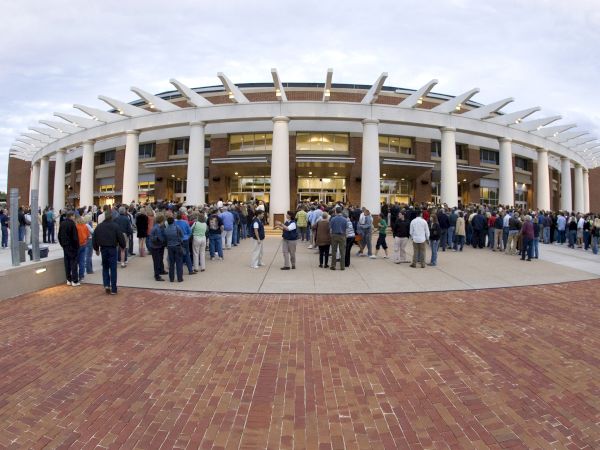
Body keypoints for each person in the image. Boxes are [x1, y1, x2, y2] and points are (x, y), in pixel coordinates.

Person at [93, 211, 127, 294]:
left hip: (103, 248)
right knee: (113, 268)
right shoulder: (115, 226)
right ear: (111, 217)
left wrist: (96, 249)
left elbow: (95, 238)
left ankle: (107, 285)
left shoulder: (99, 226)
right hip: (112, 248)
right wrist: (123, 246)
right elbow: (120, 237)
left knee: (105, 267)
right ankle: (114, 288)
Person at [58, 211, 80, 286]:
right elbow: (75, 237)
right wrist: (77, 246)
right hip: (72, 246)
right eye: (73, 216)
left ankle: (68, 279)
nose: (74, 217)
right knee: (73, 263)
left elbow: (59, 235)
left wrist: (62, 244)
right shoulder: (72, 224)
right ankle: (75, 280)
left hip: (65, 246)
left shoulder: (62, 223)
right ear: (71, 216)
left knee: (67, 263)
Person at [148, 213, 167, 281]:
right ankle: (157, 275)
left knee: (159, 259)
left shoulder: (157, 227)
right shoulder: (157, 228)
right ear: (161, 221)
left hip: (158, 246)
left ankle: (160, 271)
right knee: (156, 261)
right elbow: (160, 237)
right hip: (156, 246)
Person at [165, 216, 184, 282]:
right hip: (177, 246)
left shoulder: (166, 229)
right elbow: (182, 235)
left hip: (170, 247)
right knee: (179, 263)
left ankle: (171, 278)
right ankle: (179, 278)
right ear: (173, 221)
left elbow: (165, 238)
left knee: (171, 263)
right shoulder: (177, 227)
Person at [175, 211, 195, 275]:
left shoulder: (174, 223)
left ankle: (179, 271)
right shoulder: (185, 222)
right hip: (185, 239)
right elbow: (190, 231)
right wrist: (188, 237)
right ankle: (190, 270)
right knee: (187, 255)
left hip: (177, 240)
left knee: (178, 256)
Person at [75, 215, 91, 282]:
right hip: (84, 244)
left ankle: (75, 275)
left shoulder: (76, 227)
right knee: (82, 261)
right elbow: (88, 235)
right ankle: (81, 276)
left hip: (77, 245)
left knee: (76, 261)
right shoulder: (85, 226)